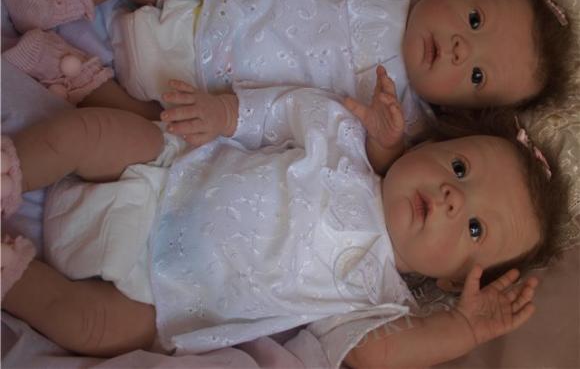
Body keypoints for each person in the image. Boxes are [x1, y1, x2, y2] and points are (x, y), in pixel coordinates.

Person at [0, 66, 566, 367]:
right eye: (460, 168)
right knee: (90, 132)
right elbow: (287, 110)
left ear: (451, 282)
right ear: (433, 144)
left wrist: (462, 329)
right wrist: (225, 113)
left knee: (90, 328)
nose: (451, 197)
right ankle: (11, 171)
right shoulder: (347, 142)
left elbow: (380, 353)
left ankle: (11, 274)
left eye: (473, 228)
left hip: (163, 298)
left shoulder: (374, 296)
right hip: (166, 172)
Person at [1, 0, 575, 175]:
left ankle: (67, 71)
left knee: (137, 131)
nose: (460, 48)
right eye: (474, 21)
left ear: (463, 111)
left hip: (207, 103)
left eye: (476, 74)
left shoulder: (403, 118)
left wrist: (386, 142)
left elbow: (361, 160)